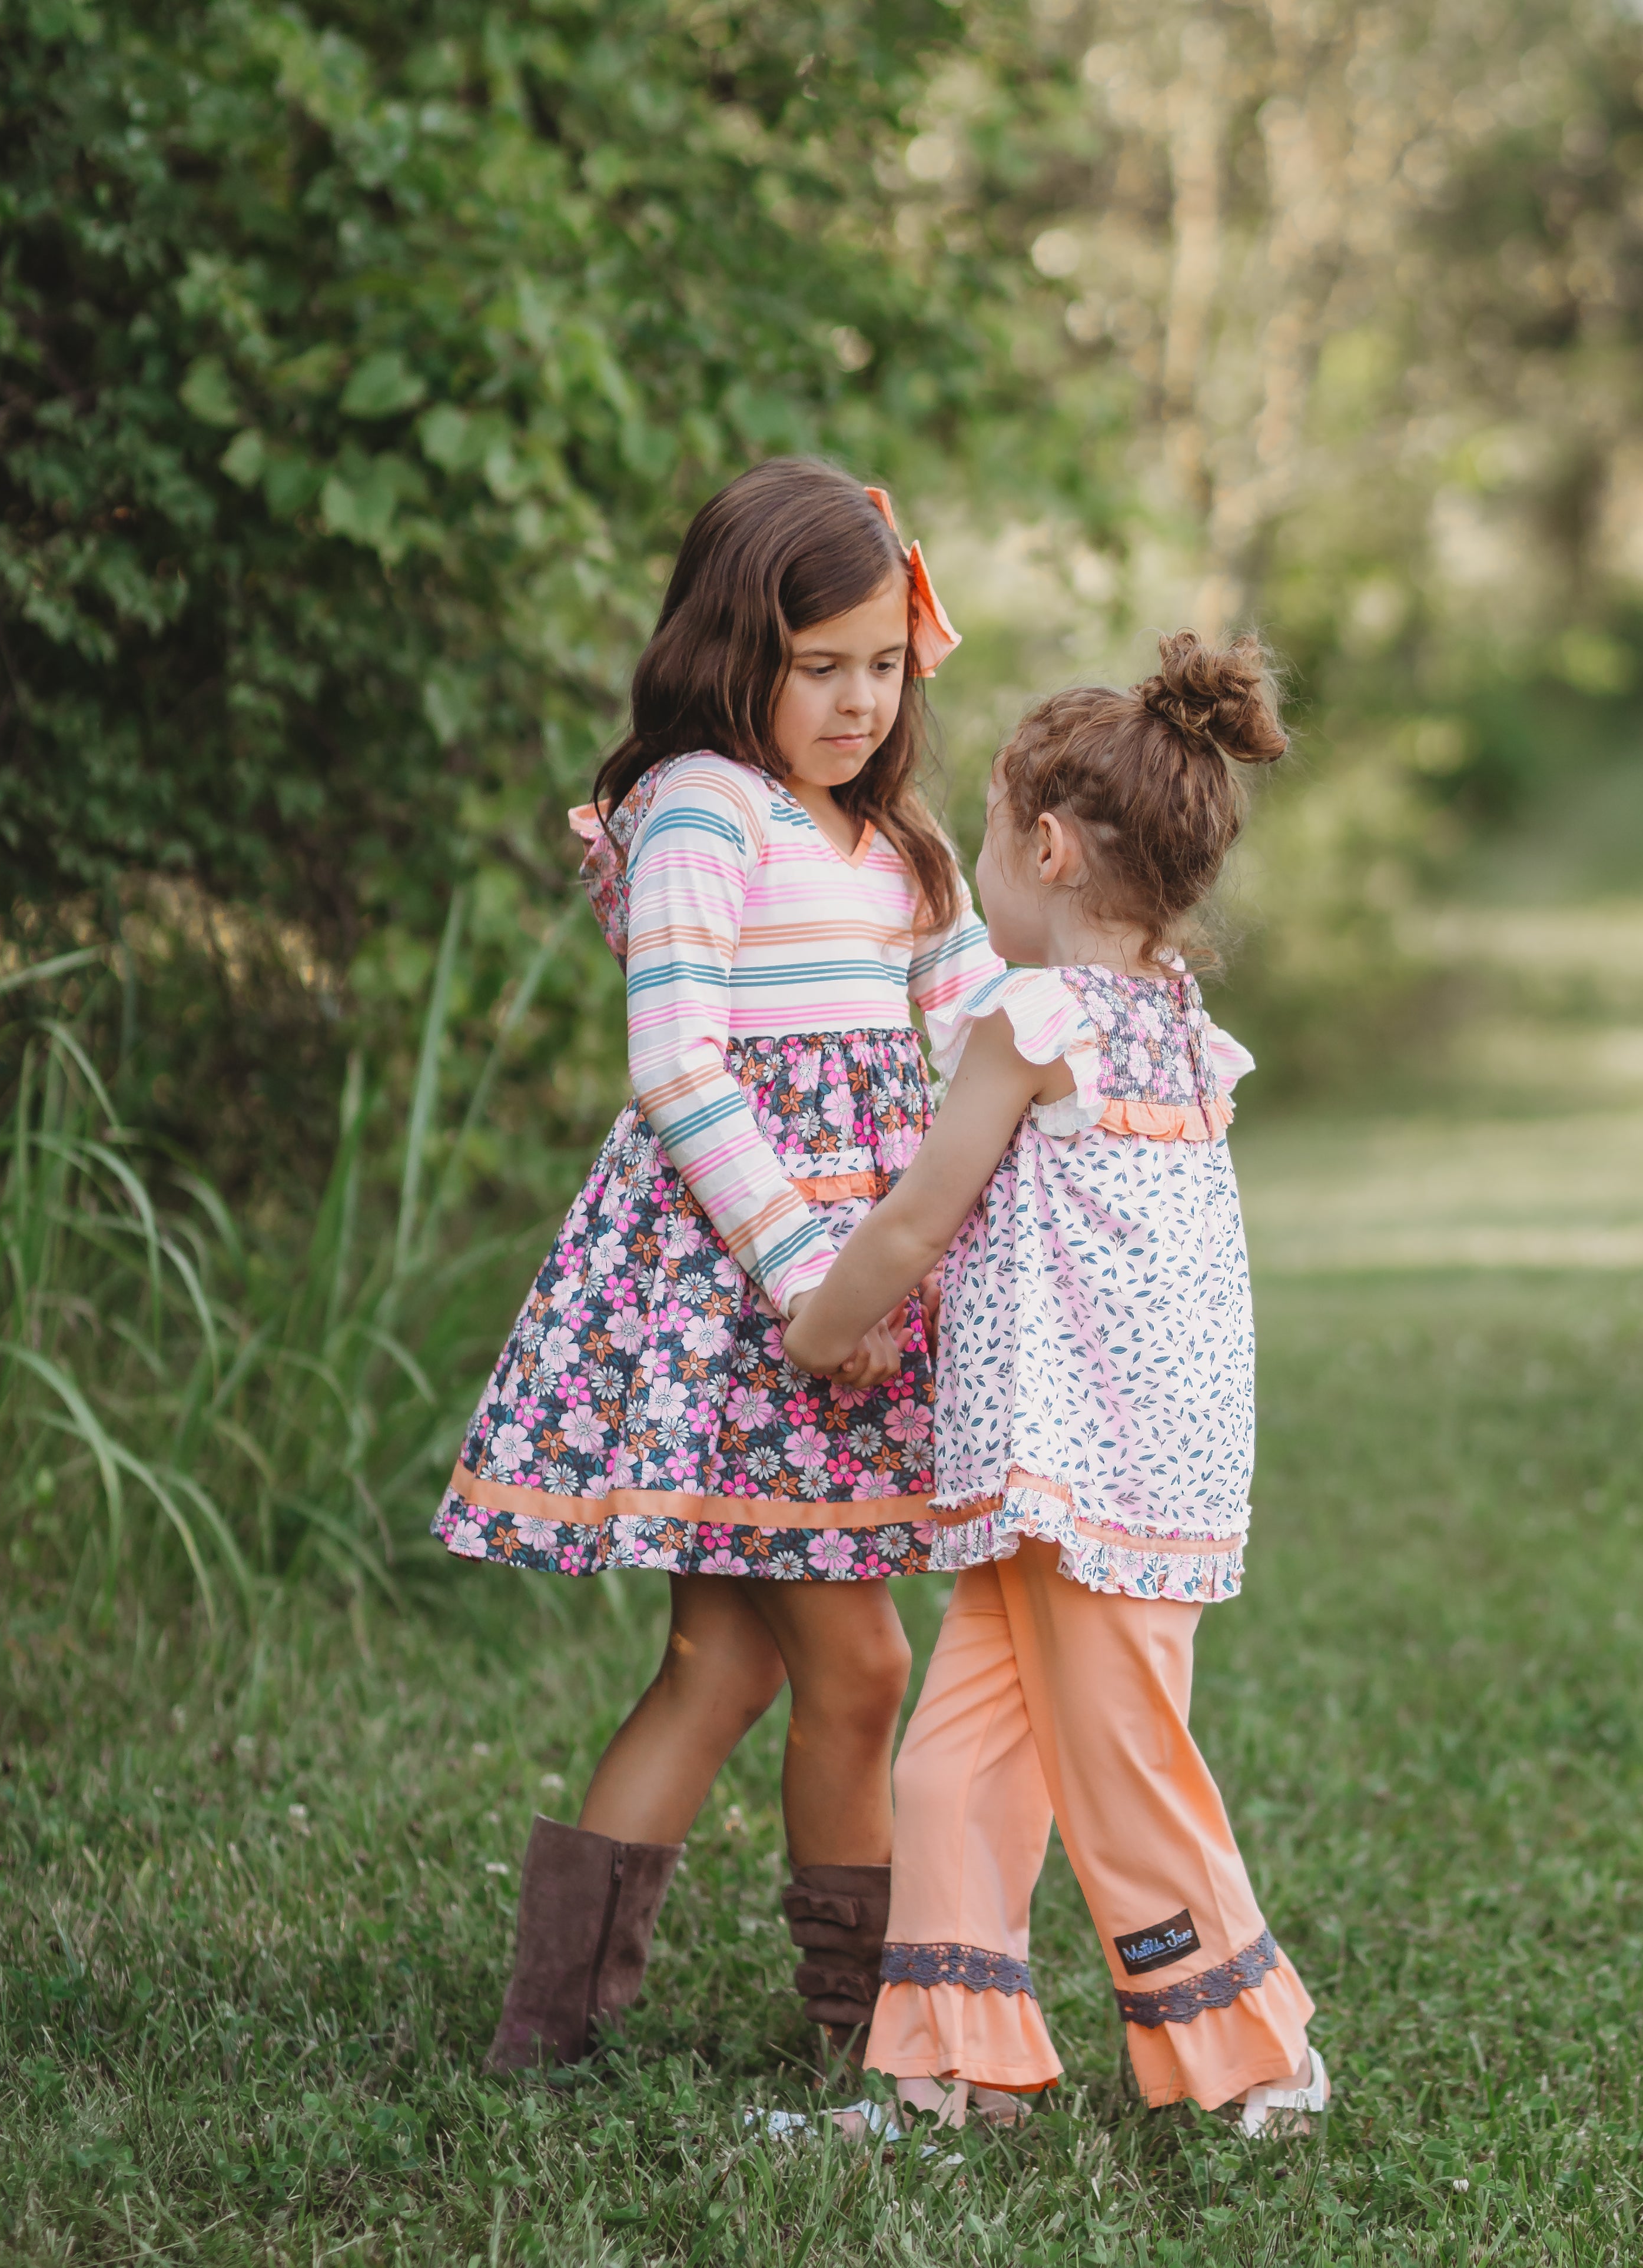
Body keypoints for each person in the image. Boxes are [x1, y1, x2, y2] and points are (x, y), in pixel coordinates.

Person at [432, 459, 1003, 2073]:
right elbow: (680, 1069)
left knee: (724, 1659)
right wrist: (821, 1277)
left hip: (853, 1286)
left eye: (880, 663)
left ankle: (545, 2028)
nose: (853, 697)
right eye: (816, 664)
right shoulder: (704, 801)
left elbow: (977, 1029)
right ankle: (867, 2028)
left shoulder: (899, 830)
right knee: (858, 1657)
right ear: (729, 646)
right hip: (748, 1297)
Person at [778, 629, 1329, 2140]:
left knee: (1119, 1761)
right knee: (958, 1759)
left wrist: (823, 1327)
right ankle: (951, 2067)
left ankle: (1255, 2053)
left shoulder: (1033, 1024)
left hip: (1096, 1468)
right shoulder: (1182, 1034)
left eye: (986, 849)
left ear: (1042, 845)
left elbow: (914, 1214)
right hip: (1073, 1464)